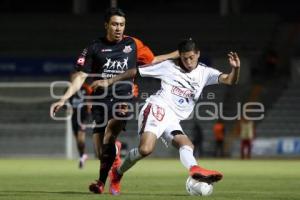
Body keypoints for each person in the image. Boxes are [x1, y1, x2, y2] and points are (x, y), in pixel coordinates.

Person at [50, 7, 178, 195]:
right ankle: (115, 152)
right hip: (100, 101)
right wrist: (63, 99)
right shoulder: (94, 47)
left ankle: (100, 183)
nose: (119, 28)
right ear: (106, 25)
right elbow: (80, 76)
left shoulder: (133, 44)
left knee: (111, 132)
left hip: (124, 97)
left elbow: (151, 61)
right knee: (102, 153)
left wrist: (175, 54)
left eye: (122, 25)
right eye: (115, 24)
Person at [93, 38, 241, 194]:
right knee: (145, 149)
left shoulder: (205, 72)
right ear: (180, 57)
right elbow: (136, 71)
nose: (188, 61)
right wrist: (109, 81)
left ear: (198, 54)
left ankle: (194, 168)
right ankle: (117, 173)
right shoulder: (168, 67)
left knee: (187, 145)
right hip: (157, 108)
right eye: (184, 58)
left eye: (191, 57)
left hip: (173, 119)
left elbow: (230, 80)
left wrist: (235, 69)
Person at [68, 73, 93, 168]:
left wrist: (89, 107)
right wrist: (66, 107)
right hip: (74, 117)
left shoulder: (86, 88)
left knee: (81, 139)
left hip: (83, 117)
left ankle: (82, 156)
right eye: (72, 78)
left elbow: (91, 100)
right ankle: (82, 156)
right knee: (77, 140)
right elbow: (67, 103)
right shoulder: (69, 89)